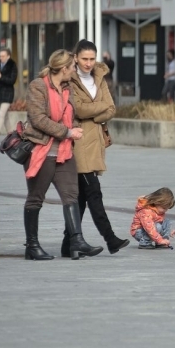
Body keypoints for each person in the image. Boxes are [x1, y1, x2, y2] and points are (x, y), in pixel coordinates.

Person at [21, 49, 103, 261]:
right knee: (35, 198)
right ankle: (32, 246)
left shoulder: (68, 88)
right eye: (72, 67)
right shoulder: (38, 86)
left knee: (71, 195)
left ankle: (76, 240)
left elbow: (72, 114)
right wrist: (67, 132)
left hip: (64, 151)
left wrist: (74, 128)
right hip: (42, 150)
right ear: (64, 68)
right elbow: (38, 119)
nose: (75, 70)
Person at [60, 40, 130, 257]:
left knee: (81, 198)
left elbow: (112, 108)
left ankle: (68, 244)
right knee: (94, 193)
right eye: (84, 59)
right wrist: (99, 110)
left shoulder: (99, 77)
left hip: (96, 143)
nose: (88, 63)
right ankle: (110, 239)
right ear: (75, 58)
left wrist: (94, 114)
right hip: (79, 143)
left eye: (92, 58)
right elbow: (78, 109)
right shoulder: (70, 79)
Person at [0, 48, 17, 143]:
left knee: (1, 114)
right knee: (5, 116)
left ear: (8, 56)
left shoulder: (12, 65)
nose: (1, 58)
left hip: (8, 93)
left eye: (3, 56)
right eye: (0, 56)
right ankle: (11, 134)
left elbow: (12, 80)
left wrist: (1, 77)